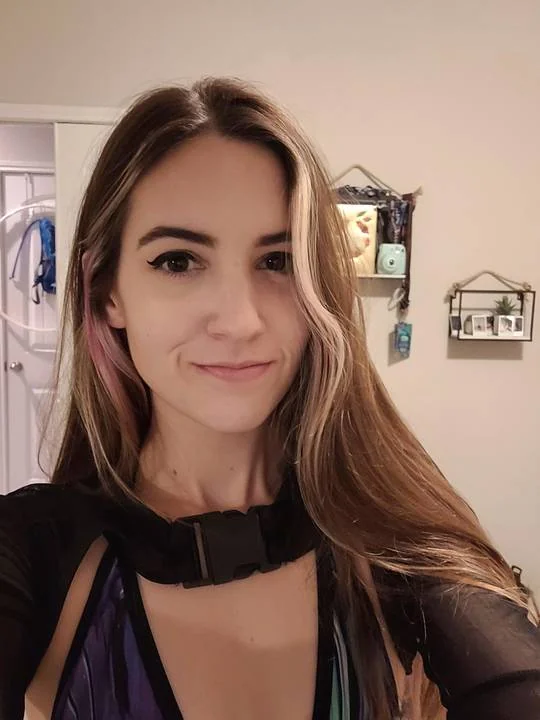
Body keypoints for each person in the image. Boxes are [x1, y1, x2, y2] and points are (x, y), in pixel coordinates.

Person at [0, 78, 539, 720]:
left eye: (278, 261)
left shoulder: (390, 550)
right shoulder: (32, 551)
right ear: (106, 290)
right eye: (177, 261)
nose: (240, 321)